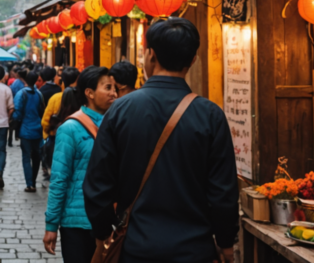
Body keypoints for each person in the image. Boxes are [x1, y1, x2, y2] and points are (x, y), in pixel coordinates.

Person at [84, 18, 238, 263]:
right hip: (194, 250)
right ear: (193, 61)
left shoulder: (120, 110)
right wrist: (226, 242)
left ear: (150, 56)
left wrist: (103, 233)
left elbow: (97, 184)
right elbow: (224, 192)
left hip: (136, 248)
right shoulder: (211, 115)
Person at [42, 67, 117, 262]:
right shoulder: (70, 129)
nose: (114, 93)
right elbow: (59, 179)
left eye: (114, 88)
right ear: (89, 93)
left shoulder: (117, 125)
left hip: (110, 220)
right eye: (107, 87)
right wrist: (51, 225)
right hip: (77, 223)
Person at [12, 70, 45, 192]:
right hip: (37, 129)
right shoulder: (39, 94)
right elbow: (42, 110)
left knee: (26, 156)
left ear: (25, 79)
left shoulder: (21, 94)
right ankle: (34, 182)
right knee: (36, 157)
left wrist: (15, 123)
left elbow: (17, 112)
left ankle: (29, 184)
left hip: (25, 130)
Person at [42, 67, 81, 137]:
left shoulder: (55, 98)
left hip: (56, 137)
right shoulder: (83, 98)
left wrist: (52, 132)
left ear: (62, 82)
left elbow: (45, 122)